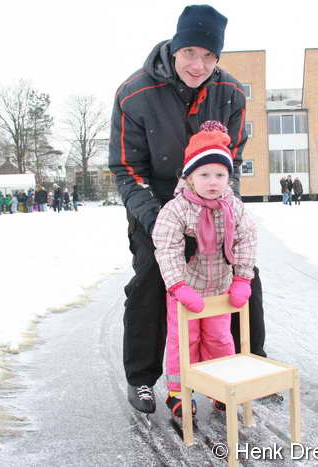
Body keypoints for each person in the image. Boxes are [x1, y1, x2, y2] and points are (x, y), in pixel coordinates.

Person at [109, 4, 266, 415]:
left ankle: (248, 363)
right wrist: (161, 220)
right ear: (175, 48)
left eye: (209, 56)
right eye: (190, 53)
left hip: (211, 195)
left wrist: (224, 207)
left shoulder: (230, 93)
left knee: (243, 275)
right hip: (156, 200)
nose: (199, 65)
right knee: (152, 277)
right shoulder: (134, 93)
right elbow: (126, 168)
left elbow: (230, 161)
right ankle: (142, 378)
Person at [153, 122, 256, 417]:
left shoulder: (233, 206)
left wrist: (242, 279)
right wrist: (178, 285)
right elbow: (167, 247)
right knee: (185, 341)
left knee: (219, 339)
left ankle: (220, 386)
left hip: (219, 289)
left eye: (220, 175)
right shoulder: (177, 209)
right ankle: (179, 391)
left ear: (229, 177)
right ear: (189, 177)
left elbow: (247, 239)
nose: (213, 181)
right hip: (185, 291)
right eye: (204, 174)